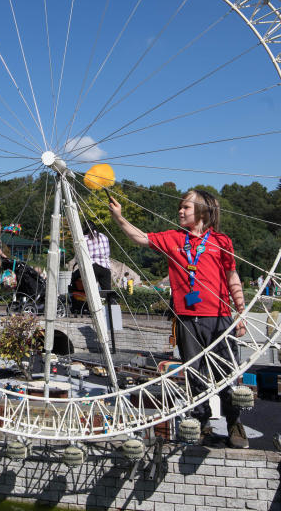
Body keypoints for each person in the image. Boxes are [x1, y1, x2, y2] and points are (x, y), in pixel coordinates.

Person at [109, 188, 248, 448]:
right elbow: (140, 238)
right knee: (195, 377)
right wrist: (119, 218)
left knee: (227, 374)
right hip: (186, 319)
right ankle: (202, 423)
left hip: (219, 317)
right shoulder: (173, 238)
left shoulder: (221, 241)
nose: (180, 211)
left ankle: (234, 424)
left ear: (203, 212)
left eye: (186, 207)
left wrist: (240, 313)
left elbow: (232, 277)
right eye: (181, 207)